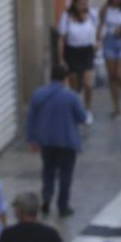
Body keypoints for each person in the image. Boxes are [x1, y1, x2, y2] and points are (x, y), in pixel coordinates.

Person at [27, 66, 88, 216]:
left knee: (48, 171)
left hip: (46, 141)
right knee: (65, 174)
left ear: (51, 77)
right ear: (66, 78)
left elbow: (30, 119)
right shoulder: (71, 96)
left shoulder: (38, 95)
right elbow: (82, 117)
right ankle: (63, 205)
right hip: (66, 141)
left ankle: (47, 198)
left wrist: (32, 139)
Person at [57, 0, 98, 114]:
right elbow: (61, 39)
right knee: (74, 84)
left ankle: (87, 108)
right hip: (72, 52)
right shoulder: (66, 17)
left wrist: (98, 42)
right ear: (74, 4)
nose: (83, 5)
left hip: (87, 51)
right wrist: (61, 58)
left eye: (85, 3)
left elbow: (98, 29)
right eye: (80, 3)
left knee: (89, 83)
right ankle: (76, 106)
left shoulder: (92, 14)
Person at [98, 0, 121, 118]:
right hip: (109, 40)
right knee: (112, 75)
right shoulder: (106, 9)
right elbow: (101, 22)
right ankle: (116, 105)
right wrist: (98, 37)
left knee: (120, 74)